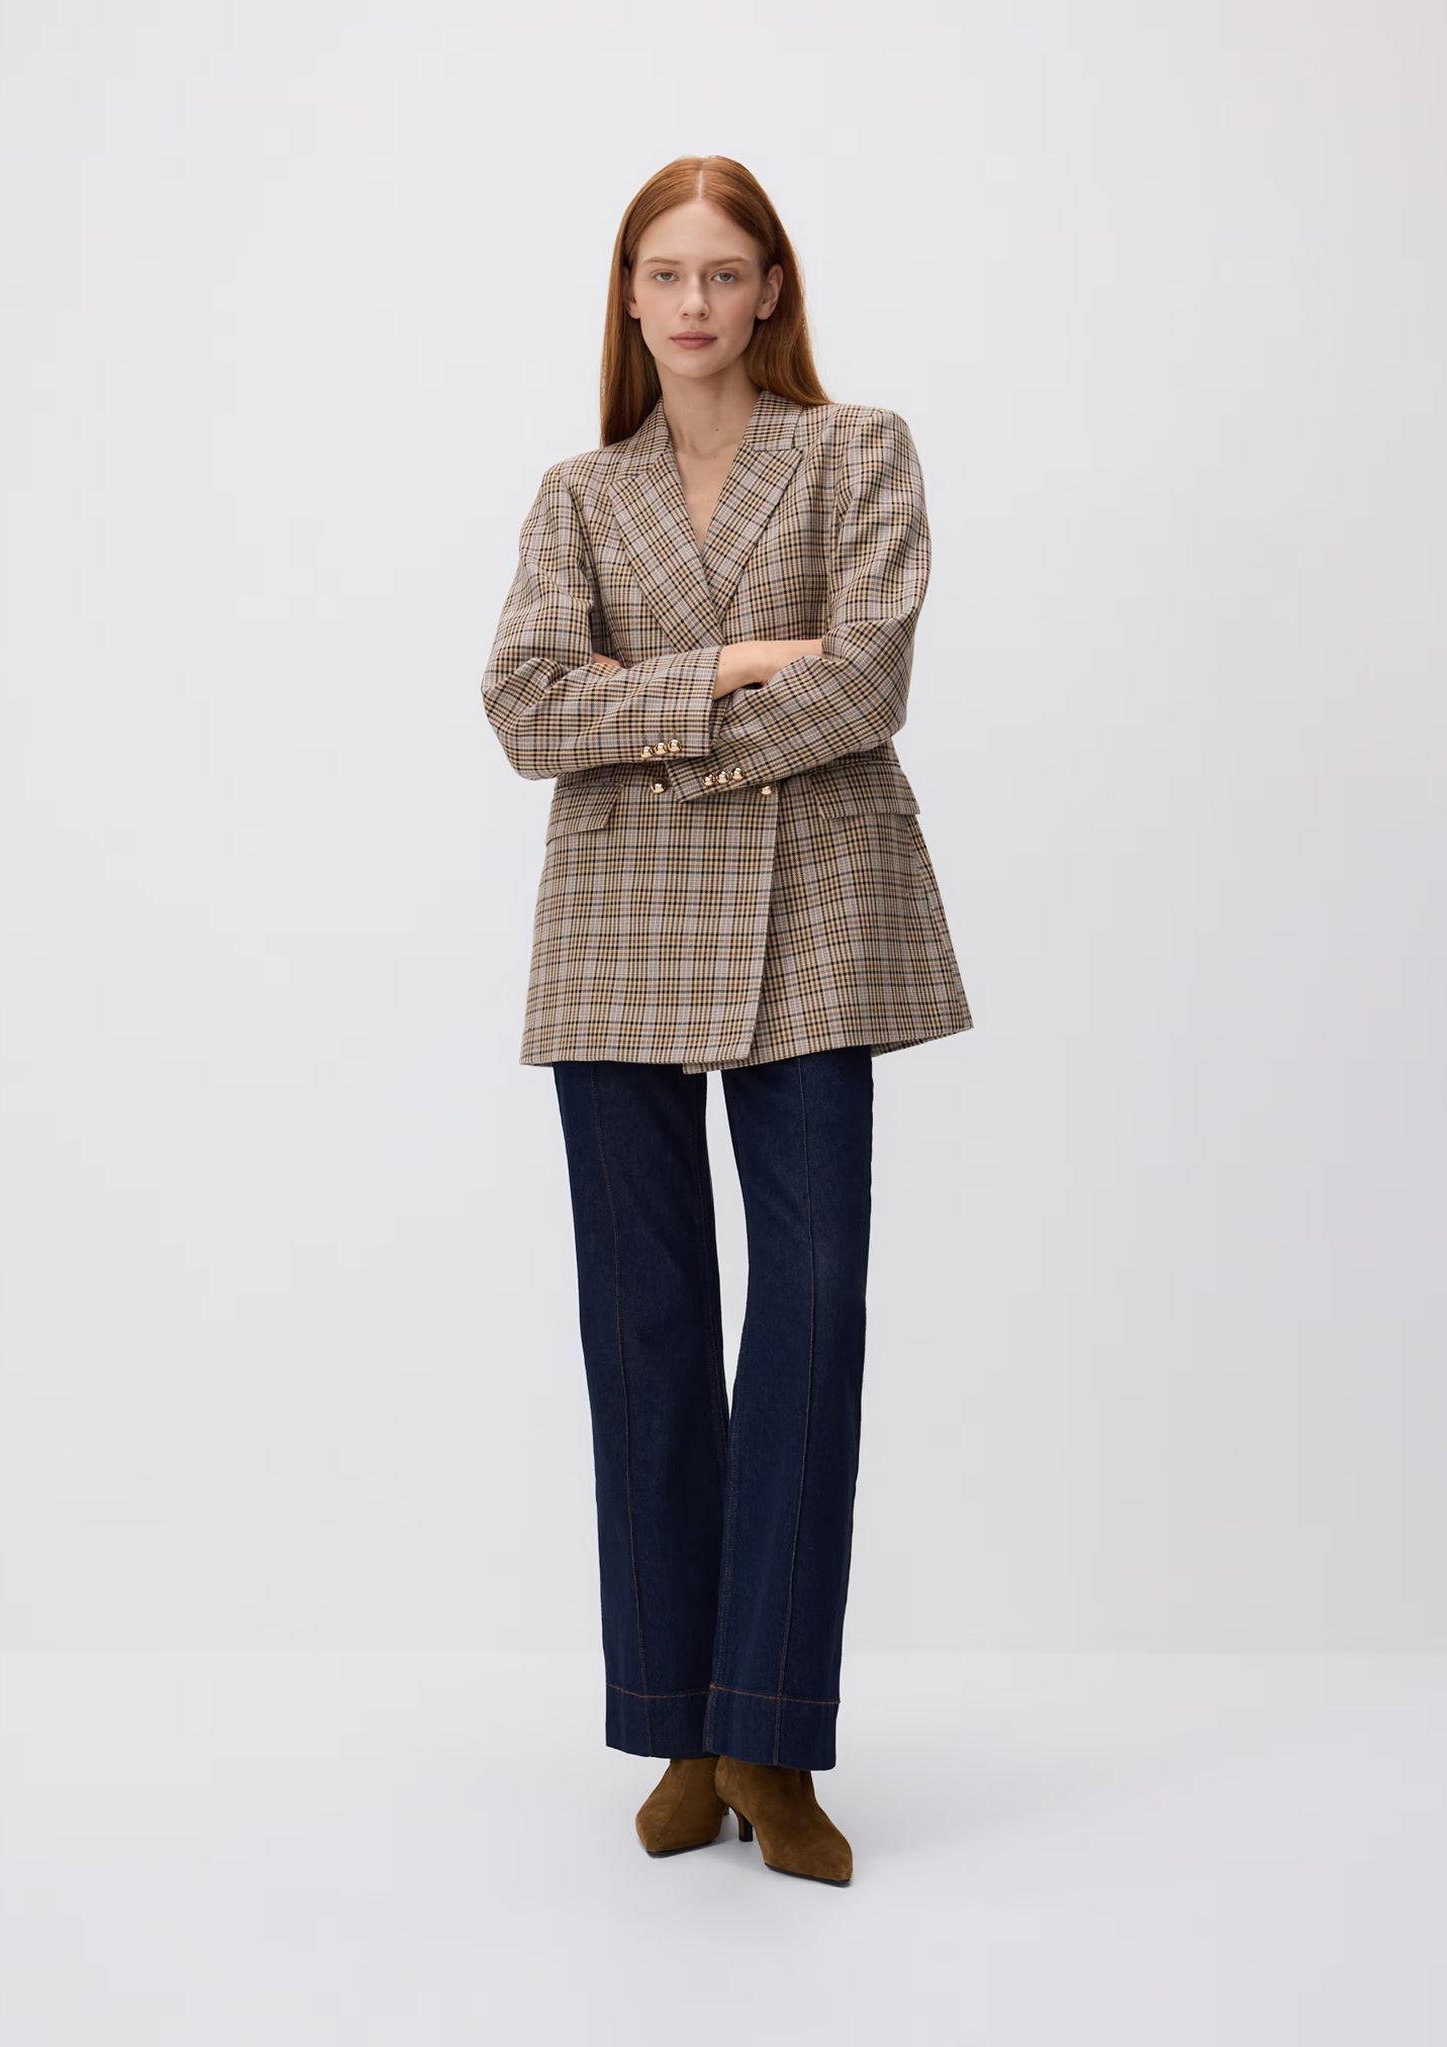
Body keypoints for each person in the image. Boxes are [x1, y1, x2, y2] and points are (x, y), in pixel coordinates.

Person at [480, 155, 973, 1885]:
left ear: (772, 289)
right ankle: (681, 1728)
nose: (694, 302)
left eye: (725, 271)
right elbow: (523, 710)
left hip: (816, 913)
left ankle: (772, 1732)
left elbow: (870, 680)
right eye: (665, 272)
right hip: (613, 930)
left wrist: (652, 709)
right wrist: (748, 665)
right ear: (629, 297)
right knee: (644, 1332)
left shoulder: (857, 453)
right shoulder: (576, 495)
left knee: (813, 1312)